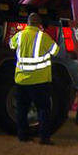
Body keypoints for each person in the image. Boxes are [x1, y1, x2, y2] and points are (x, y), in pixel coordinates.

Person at [9, 12, 60, 144]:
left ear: (28, 24)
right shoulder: (42, 37)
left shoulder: (19, 36)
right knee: (43, 109)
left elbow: (11, 45)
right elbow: (56, 51)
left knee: (22, 109)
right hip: (39, 81)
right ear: (39, 25)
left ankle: (23, 136)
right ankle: (44, 138)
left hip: (21, 80)